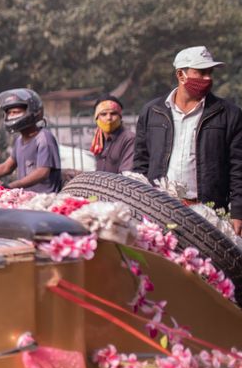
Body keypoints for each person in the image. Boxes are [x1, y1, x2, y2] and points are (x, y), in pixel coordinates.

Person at [133, 46, 242, 235]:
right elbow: (141, 163)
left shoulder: (228, 114)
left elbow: (238, 167)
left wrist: (238, 212)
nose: (208, 78)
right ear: (181, 75)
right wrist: (136, 202)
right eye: (200, 72)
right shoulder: (152, 112)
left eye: (210, 72)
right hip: (159, 208)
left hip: (208, 211)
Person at [0, 88, 62, 193]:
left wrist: (11, 186)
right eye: (9, 113)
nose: (11, 116)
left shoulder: (44, 138)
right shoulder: (19, 141)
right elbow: (6, 167)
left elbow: (42, 172)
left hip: (44, 200)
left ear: (32, 112)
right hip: (25, 199)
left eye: (16, 112)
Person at [90, 95, 134, 173]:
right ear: (96, 118)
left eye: (113, 113)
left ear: (120, 117)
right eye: (103, 114)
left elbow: (127, 175)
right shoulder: (98, 140)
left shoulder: (129, 139)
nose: (109, 118)